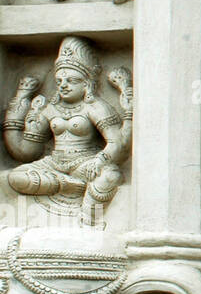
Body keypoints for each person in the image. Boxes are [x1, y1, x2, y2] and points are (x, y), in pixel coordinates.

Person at [3, 37, 132, 226]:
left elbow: (116, 143)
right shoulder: (50, 108)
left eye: (72, 80)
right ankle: (74, 186)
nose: (63, 85)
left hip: (84, 163)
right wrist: (21, 100)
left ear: (87, 84)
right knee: (14, 177)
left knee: (111, 176)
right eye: (59, 80)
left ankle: (88, 219)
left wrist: (99, 160)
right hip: (54, 165)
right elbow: (25, 150)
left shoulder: (95, 107)